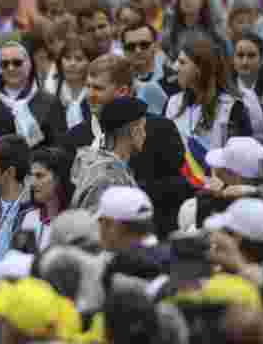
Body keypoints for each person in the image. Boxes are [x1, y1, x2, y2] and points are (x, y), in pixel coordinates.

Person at [63, 54, 191, 236]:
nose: (90, 95)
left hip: (153, 236)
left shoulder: (160, 130)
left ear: (122, 91)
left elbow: (179, 186)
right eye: (88, 86)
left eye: (98, 88)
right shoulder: (74, 138)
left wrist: (127, 195)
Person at [166, 34, 252, 156]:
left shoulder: (232, 108)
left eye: (182, 62)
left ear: (201, 68)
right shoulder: (173, 103)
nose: (175, 67)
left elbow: (241, 158)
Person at [72, 97, 147, 212]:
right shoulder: (108, 179)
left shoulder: (107, 170)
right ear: (134, 132)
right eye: (143, 128)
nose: (145, 135)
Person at [0, 40, 67, 147]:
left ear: (29, 64)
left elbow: (60, 147)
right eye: (5, 64)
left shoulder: (50, 102)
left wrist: (40, 161)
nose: (11, 68)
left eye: (17, 63)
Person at [18, 147, 74, 251]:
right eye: (31, 176)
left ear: (59, 178)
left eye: (39, 176)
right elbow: (20, 259)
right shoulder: (29, 217)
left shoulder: (76, 223)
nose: (32, 183)